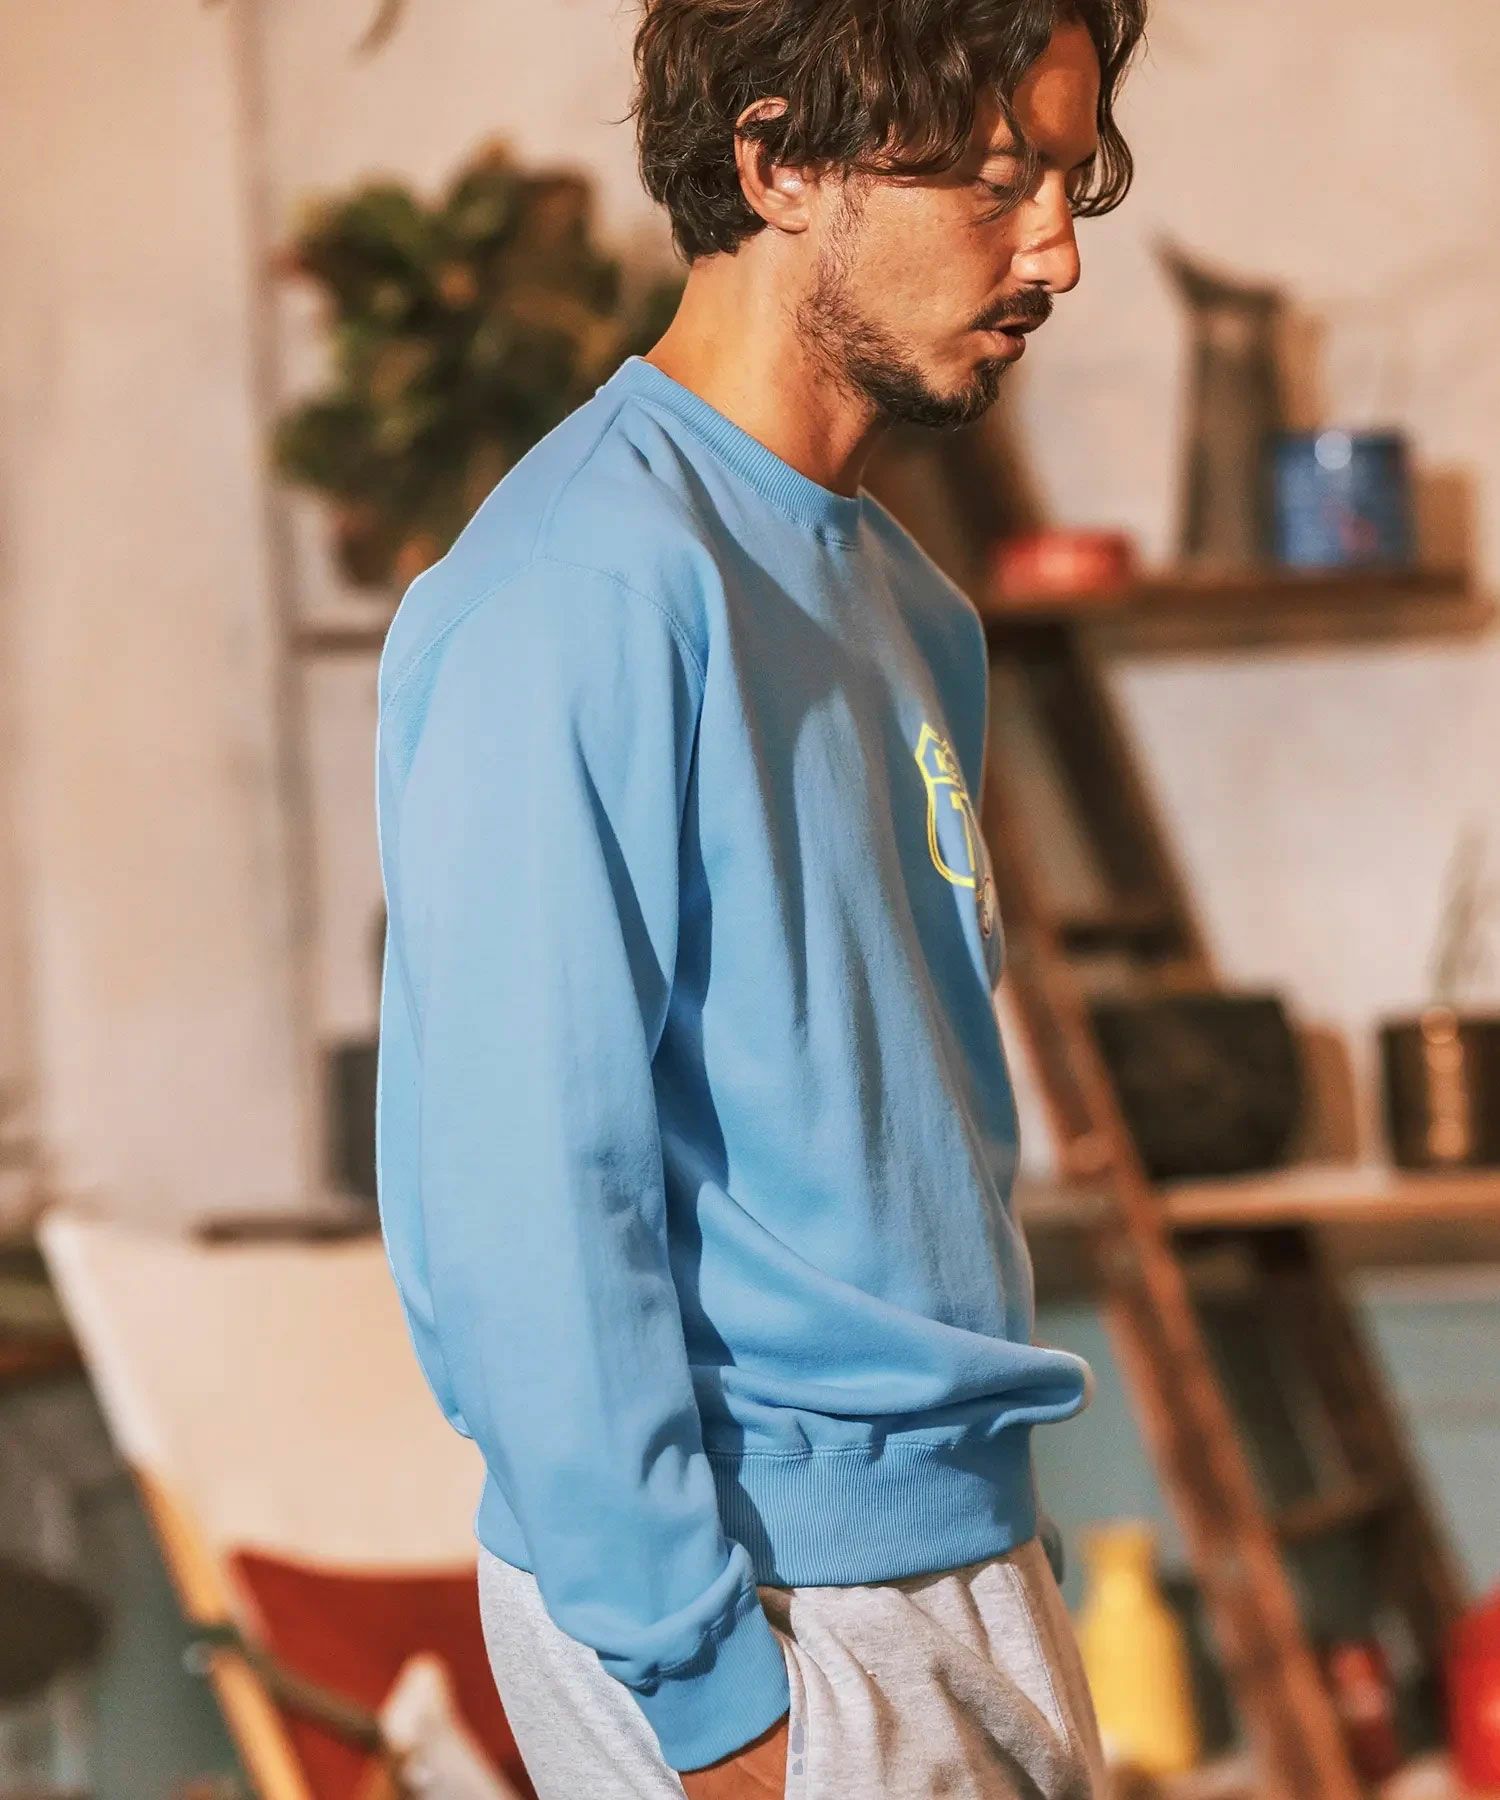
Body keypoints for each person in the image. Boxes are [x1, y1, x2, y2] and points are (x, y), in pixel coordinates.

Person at [373, 1, 1148, 1794]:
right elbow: (519, 1198)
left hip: (961, 1558)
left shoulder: (906, 601)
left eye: (1068, 179)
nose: (1056, 252)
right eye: (997, 179)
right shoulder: (573, 591)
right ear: (779, 159)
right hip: (761, 1610)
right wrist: (711, 1697)